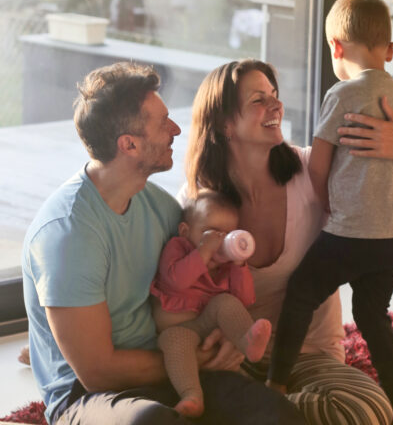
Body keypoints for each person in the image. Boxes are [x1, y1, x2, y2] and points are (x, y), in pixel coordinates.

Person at [22, 62, 306, 425]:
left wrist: (220, 341)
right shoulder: (68, 234)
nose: (176, 129)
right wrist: (195, 360)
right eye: (162, 123)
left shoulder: (161, 208)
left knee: (277, 415)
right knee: (154, 422)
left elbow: (198, 288)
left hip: (170, 366)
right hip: (88, 395)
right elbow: (98, 372)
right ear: (129, 144)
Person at [183, 56, 393, 425]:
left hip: (311, 357)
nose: (275, 105)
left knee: (366, 410)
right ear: (225, 123)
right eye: (258, 99)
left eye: (275, 95)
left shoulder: (315, 172)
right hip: (235, 360)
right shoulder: (200, 205)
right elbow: (186, 295)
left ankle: (263, 414)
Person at [265, 0, 393, 423]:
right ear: (389, 50)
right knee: (372, 313)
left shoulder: (343, 94)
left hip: (351, 233)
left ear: (336, 47)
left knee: (301, 296)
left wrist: (328, 206)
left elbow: (321, 162)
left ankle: (275, 382)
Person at [151, 190, 272, 418]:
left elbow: (244, 299)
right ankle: (191, 396)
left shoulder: (226, 266)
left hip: (207, 324)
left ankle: (249, 343)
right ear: (185, 231)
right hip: (178, 328)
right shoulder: (178, 247)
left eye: (228, 235)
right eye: (212, 232)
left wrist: (239, 264)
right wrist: (202, 251)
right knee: (174, 343)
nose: (220, 241)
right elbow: (177, 281)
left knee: (226, 302)